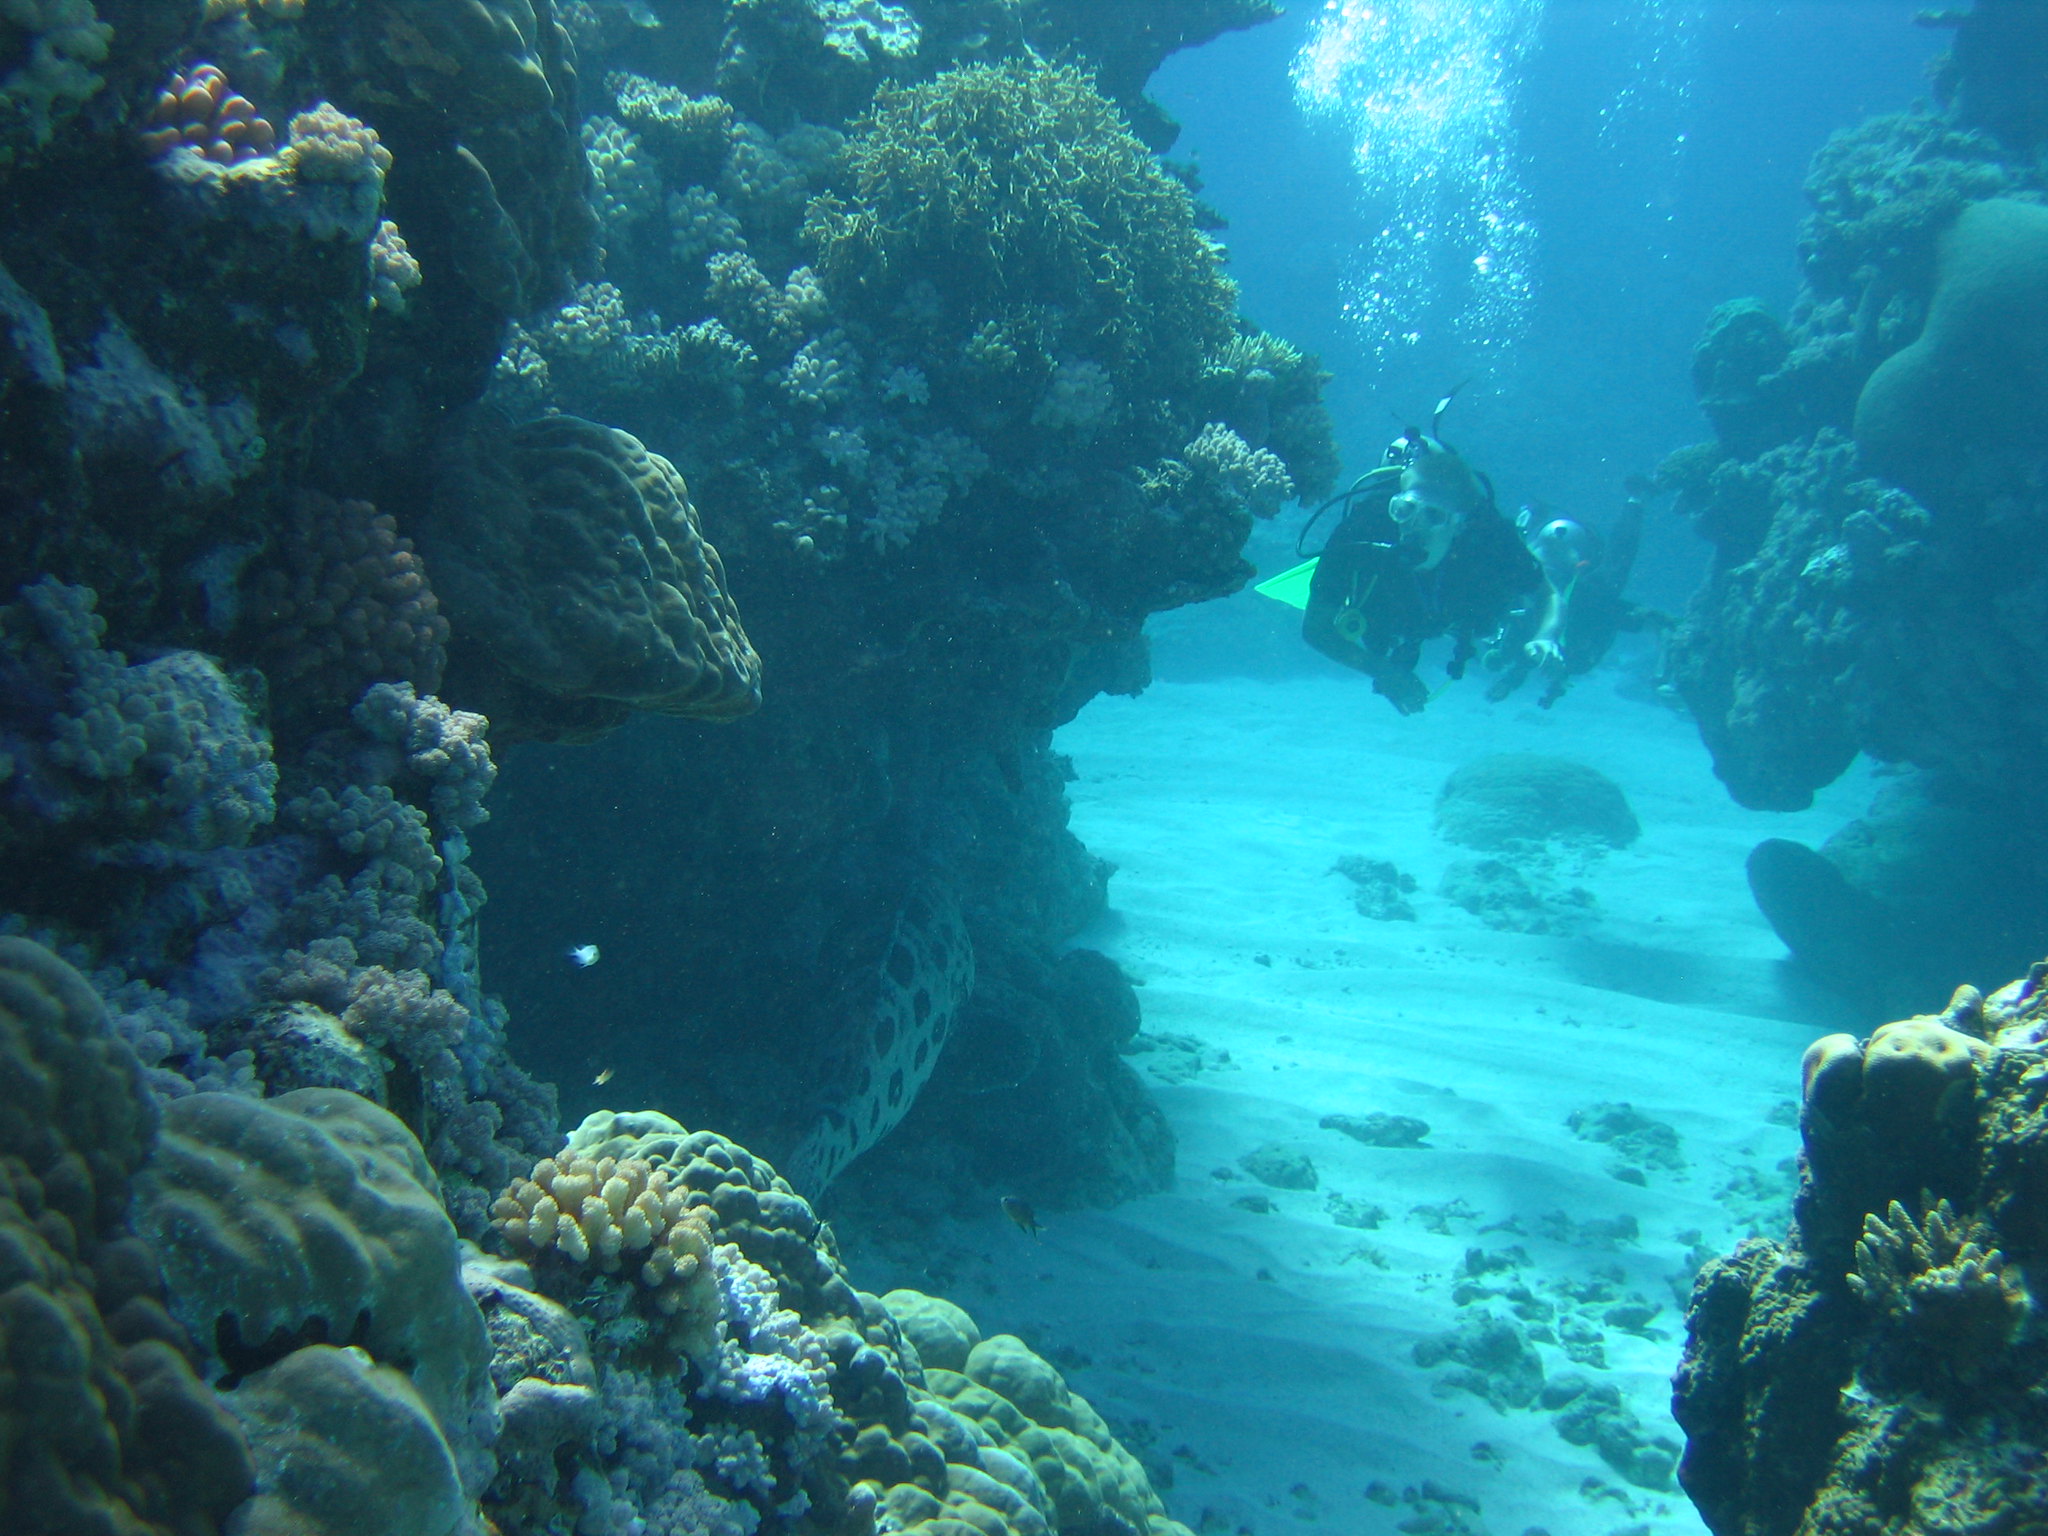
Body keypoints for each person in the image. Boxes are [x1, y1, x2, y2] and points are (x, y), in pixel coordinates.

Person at [1299, 400, 1545, 714]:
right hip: (1384, 616)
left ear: (1459, 523)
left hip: (1455, 613)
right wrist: (1384, 670)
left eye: (1434, 516)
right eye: (1403, 511)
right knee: (1378, 633)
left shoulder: (1487, 537)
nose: (1413, 527)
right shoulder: (1361, 532)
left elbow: (1544, 589)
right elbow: (1316, 628)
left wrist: (1546, 635)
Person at [1485, 482, 1670, 707]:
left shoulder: (1594, 598)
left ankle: (1636, 502)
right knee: (1616, 565)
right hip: (1577, 634)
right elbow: (1525, 644)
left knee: (1615, 569)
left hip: (1589, 613)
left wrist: (1662, 675)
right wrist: (1511, 679)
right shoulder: (1524, 592)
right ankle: (1635, 502)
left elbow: (1657, 623)